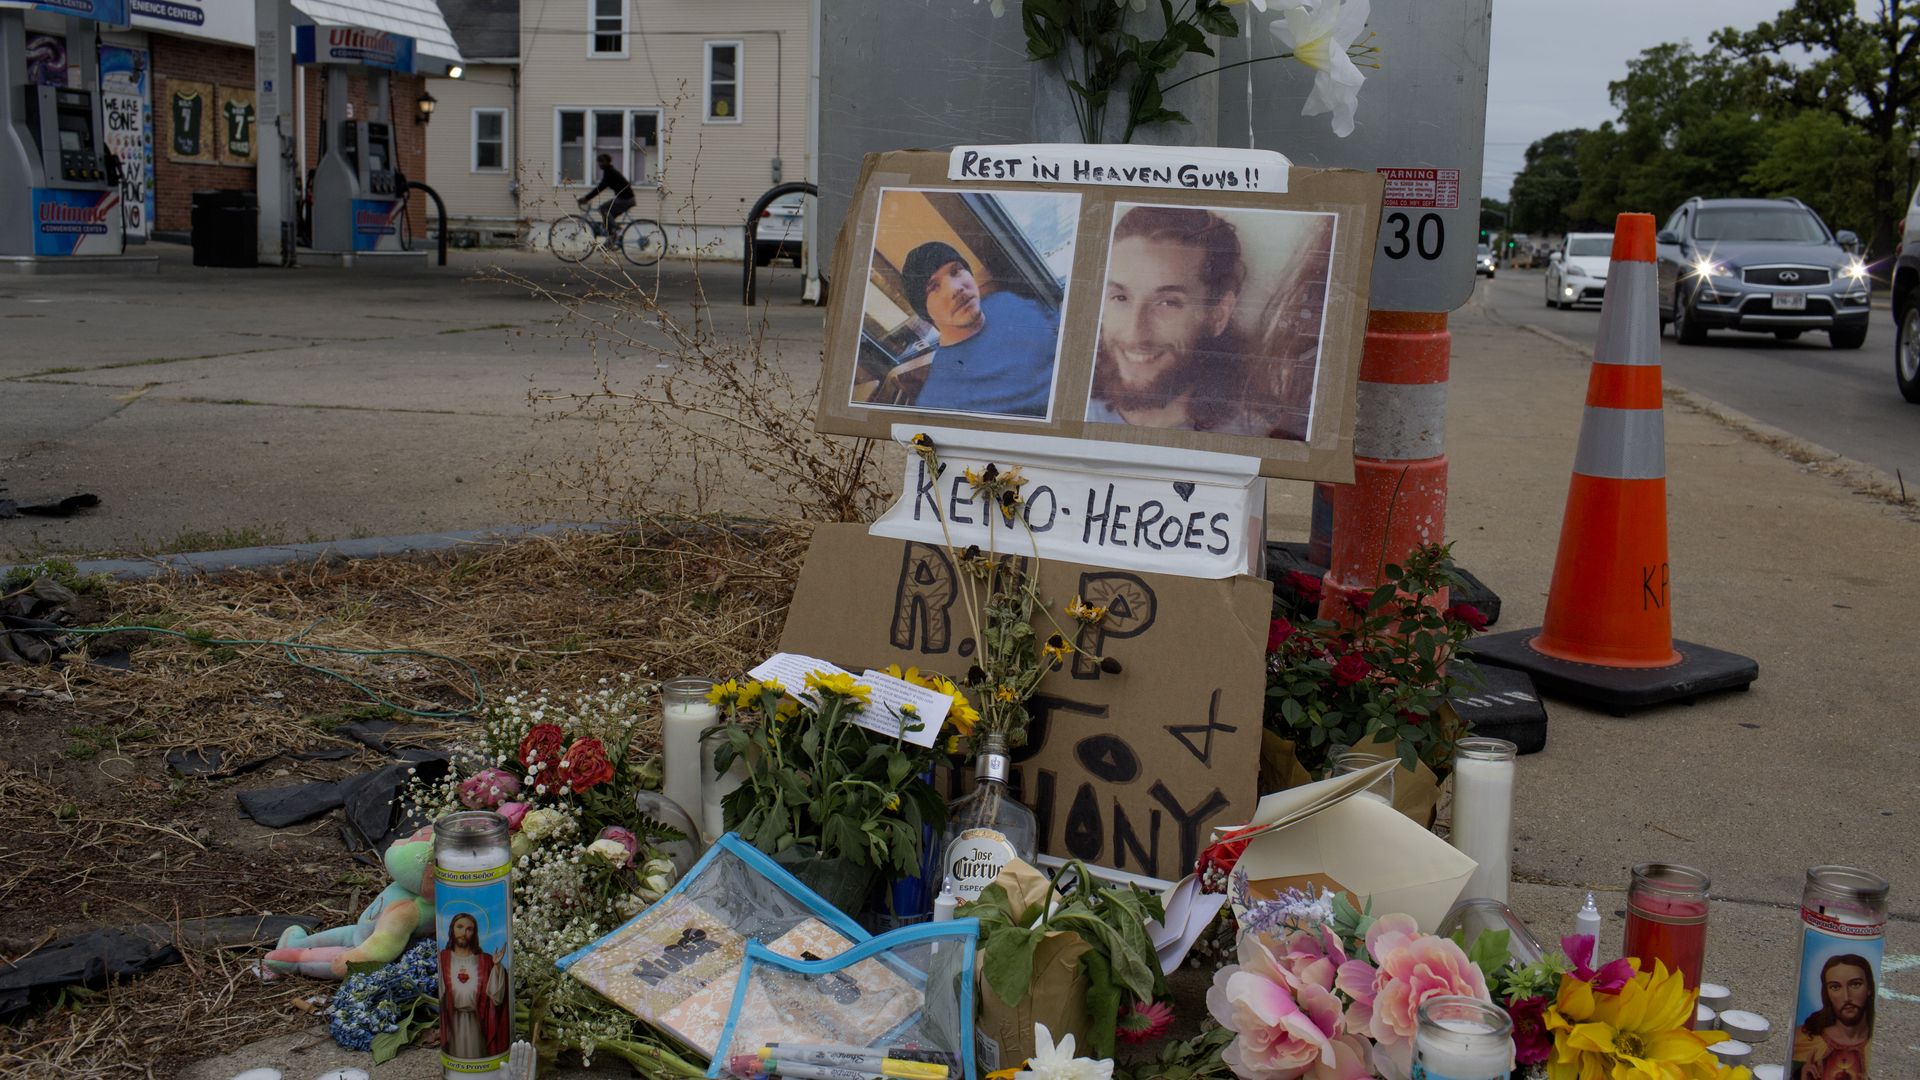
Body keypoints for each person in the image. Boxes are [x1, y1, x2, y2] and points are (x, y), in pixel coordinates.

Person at [1088, 206, 1328, 438]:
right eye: (1120, 297)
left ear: (1217, 316)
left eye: (1167, 303)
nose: (1134, 335)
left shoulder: (1257, 440)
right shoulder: (1069, 403)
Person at [896, 241, 1059, 418]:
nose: (956, 289)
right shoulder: (940, 401)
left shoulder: (1006, 302)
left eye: (955, 271)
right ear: (925, 311)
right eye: (933, 287)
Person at [438, 912, 511, 1060]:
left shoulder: (484, 961)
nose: (464, 933)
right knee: (455, 1054)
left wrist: (497, 967)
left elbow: (497, 997)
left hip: (476, 1021)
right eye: (460, 927)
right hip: (453, 1021)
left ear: (474, 933)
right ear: (452, 928)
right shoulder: (443, 958)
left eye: (469, 929)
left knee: (477, 1054)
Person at [1792, 954, 1874, 1080]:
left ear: (1869, 988)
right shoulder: (1804, 1041)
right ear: (1827, 994)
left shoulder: (1875, 1044)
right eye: (1835, 987)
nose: (1846, 997)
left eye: (1855, 984)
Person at [578, 152, 636, 241]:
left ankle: (617, 230)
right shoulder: (609, 171)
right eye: (599, 162)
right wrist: (587, 198)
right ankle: (612, 241)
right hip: (625, 198)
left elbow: (600, 187)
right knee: (608, 219)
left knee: (603, 208)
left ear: (608, 162)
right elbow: (601, 187)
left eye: (602, 162)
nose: (600, 164)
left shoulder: (610, 173)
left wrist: (586, 198)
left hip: (625, 199)